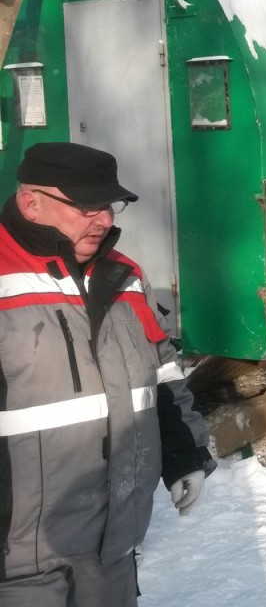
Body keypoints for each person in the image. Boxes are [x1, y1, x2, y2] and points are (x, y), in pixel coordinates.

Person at [0, 142, 215, 607]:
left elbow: (162, 377)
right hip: (18, 570)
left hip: (112, 552)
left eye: (108, 206)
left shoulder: (124, 276)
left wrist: (185, 456)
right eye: (85, 206)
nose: (104, 220)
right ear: (30, 201)